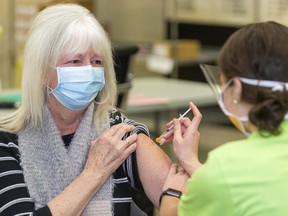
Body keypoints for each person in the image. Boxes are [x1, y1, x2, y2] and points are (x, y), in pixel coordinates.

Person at [0, 3, 172, 216]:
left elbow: (180, 197)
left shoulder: (117, 133)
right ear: (42, 70)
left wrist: (189, 160)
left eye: (96, 61)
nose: (89, 71)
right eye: (75, 60)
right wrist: (95, 172)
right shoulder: (7, 143)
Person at [159, 21, 288, 216]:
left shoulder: (227, 164)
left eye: (223, 85)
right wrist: (191, 161)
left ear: (236, 88)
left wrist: (172, 191)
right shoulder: (230, 171)